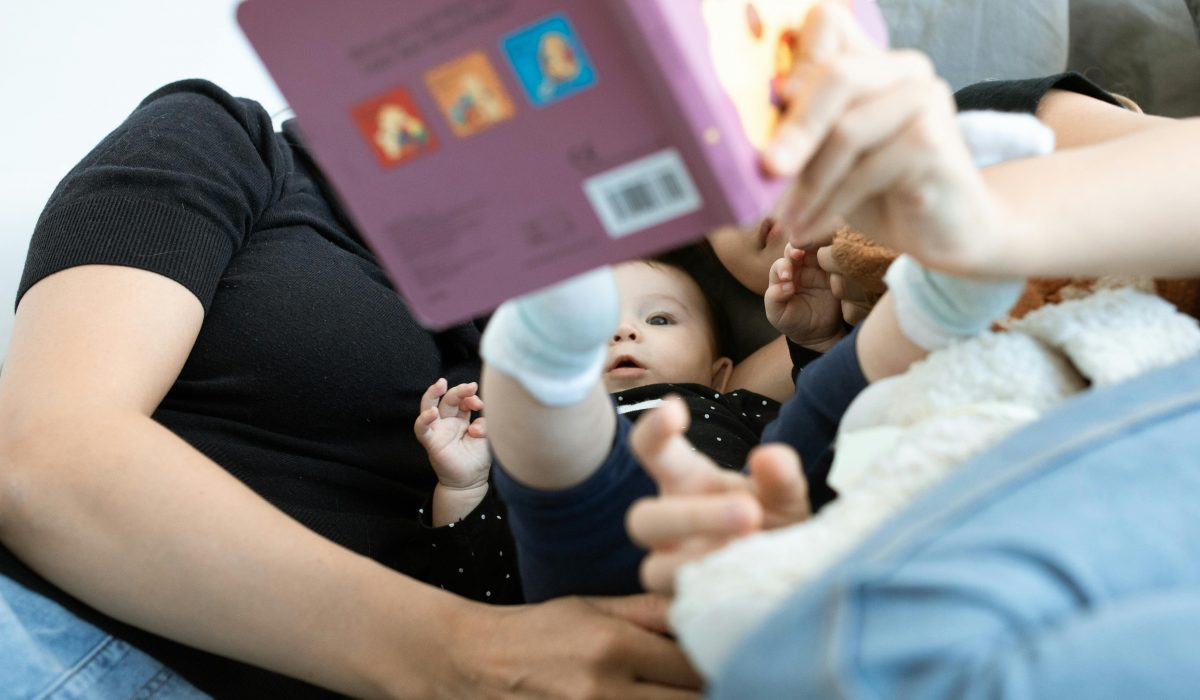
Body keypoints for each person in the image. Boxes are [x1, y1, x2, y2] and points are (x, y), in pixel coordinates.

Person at [0, 79, 703, 698]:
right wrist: (459, 655)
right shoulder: (229, 142)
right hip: (65, 642)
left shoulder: (585, 327)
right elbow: (50, 453)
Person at [623, 2, 1200, 697]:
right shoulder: (787, 367)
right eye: (719, 194)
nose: (752, 186)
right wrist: (815, 341)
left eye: (759, 119)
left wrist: (983, 223)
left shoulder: (976, 133)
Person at [420, 255, 840, 601]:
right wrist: (463, 487)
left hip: (744, 581)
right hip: (588, 617)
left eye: (659, 319)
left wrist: (816, 343)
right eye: (594, 327)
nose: (623, 332)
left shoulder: (733, 407)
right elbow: (479, 584)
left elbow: (823, 433)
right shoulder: (540, 440)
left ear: (719, 375)